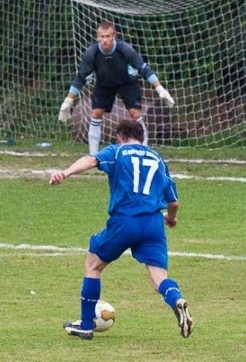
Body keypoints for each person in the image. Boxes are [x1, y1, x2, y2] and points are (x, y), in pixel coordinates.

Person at [50, 118, 193, 339]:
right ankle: (177, 300)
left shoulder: (118, 152)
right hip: (153, 224)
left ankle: (87, 324)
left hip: (125, 221)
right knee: (158, 279)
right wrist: (171, 219)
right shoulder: (157, 158)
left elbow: (91, 160)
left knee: (93, 264)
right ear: (142, 137)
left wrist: (66, 172)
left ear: (120, 136)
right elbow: (174, 202)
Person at [58, 20, 175, 155]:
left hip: (127, 82)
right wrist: (68, 100)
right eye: (102, 36)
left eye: (108, 36)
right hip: (104, 84)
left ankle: (144, 151)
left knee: (135, 114)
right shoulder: (91, 53)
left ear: (114, 36)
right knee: (96, 114)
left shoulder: (125, 49)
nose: (105, 40)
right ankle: (93, 156)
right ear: (98, 37)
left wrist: (160, 88)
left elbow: (143, 68)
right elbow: (81, 77)